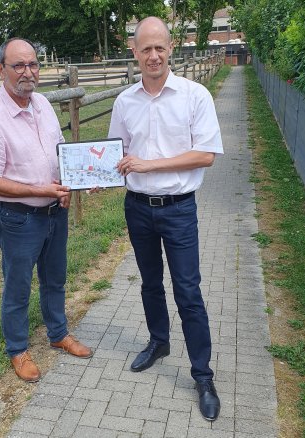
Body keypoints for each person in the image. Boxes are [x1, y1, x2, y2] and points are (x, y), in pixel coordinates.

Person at [107, 17, 224, 421]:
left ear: (171, 48)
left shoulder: (195, 96)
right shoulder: (125, 102)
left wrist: (150, 165)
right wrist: (91, 175)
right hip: (138, 208)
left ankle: (203, 375)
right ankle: (159, 342)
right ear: (134, 52)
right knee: (150, 285)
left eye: (160, 47)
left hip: (178, 210)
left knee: (188, 292)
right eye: (145, 49)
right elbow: (115, 153)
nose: (153, 55)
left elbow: (205, 154)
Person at [0, 37, 93, 383]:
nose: (28, 72)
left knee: (55, 279)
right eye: (19, 65)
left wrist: (68, 185)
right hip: (19, 218)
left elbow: (60, 153)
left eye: (33, 64)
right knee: (18, 286)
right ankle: (18, 349)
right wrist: (41, 189)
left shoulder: (42, 104)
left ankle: (58, 333)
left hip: (55, 211)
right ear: (0, 70)